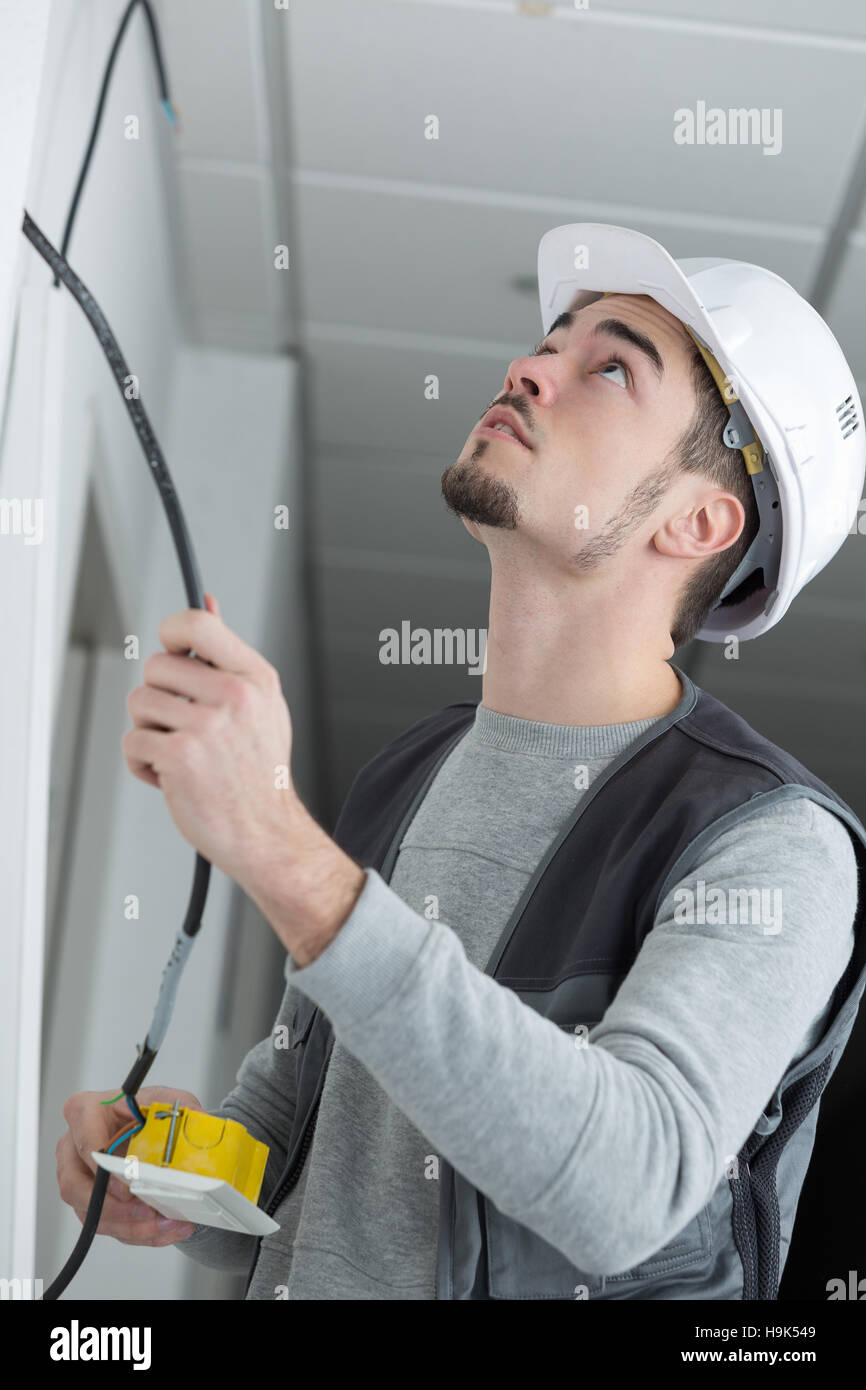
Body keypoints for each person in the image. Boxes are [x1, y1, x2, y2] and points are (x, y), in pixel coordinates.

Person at [56, 224, 866, 1300]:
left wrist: (278, 846)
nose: (528, 367)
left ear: (697, 519)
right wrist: (173, 1166)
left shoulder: (767, 841)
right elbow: (308, 1144)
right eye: (549, 342)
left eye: (608, 367)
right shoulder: (410, 768)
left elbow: (626, 1187)